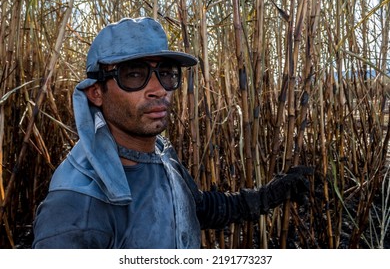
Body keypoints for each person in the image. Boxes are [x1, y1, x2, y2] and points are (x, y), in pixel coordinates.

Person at [32, 17, 313, 249]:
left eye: (166, 72)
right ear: (96, 93)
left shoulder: (160, 154)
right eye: (133, 74)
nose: (158, 88)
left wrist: (268, 196)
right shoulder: (77, 205)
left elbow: (193, 208)